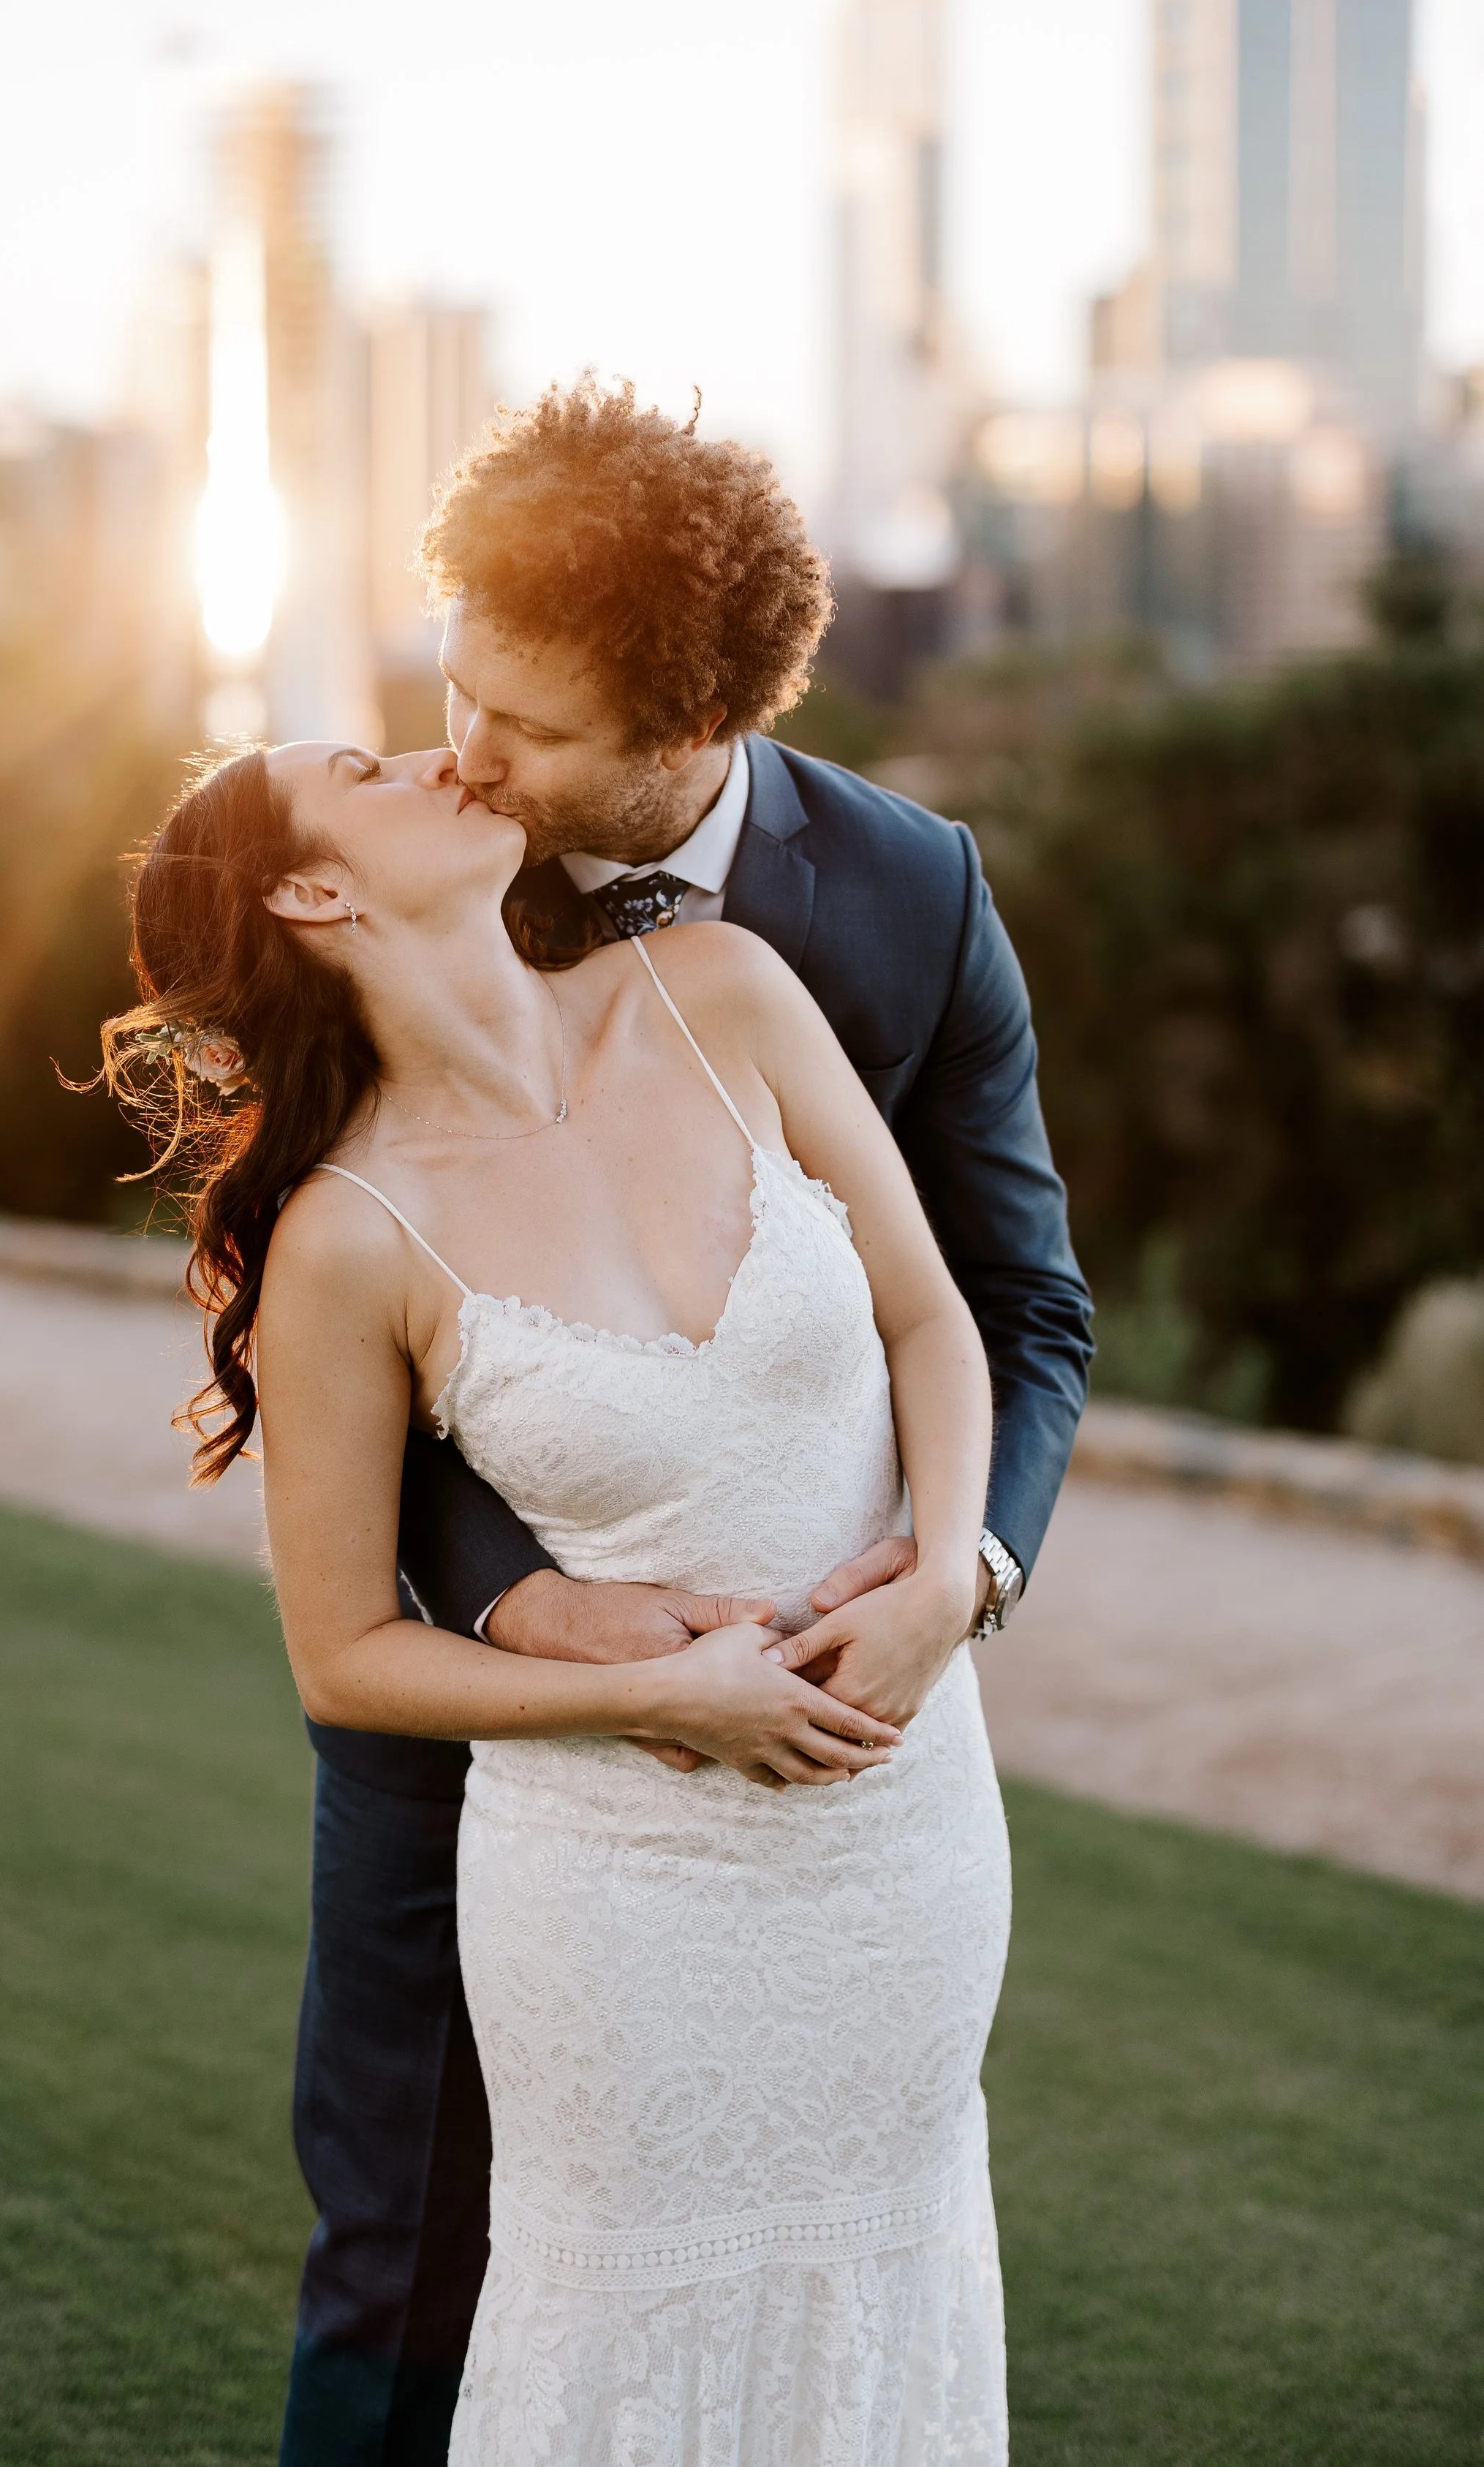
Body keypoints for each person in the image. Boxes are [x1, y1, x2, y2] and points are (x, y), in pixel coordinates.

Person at [113, 379, 1092, 2463]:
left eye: (521, 732)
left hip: (882, 1789)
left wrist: (955, 1576)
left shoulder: (867, 917)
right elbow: (385, 1492)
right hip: (528, 1801)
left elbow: (1003, 1304)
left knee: (872, 2286)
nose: (469, 759)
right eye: (436, 709)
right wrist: (529, 1621)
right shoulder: (371, 1177)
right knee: (413, 2280)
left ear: (682, 729)